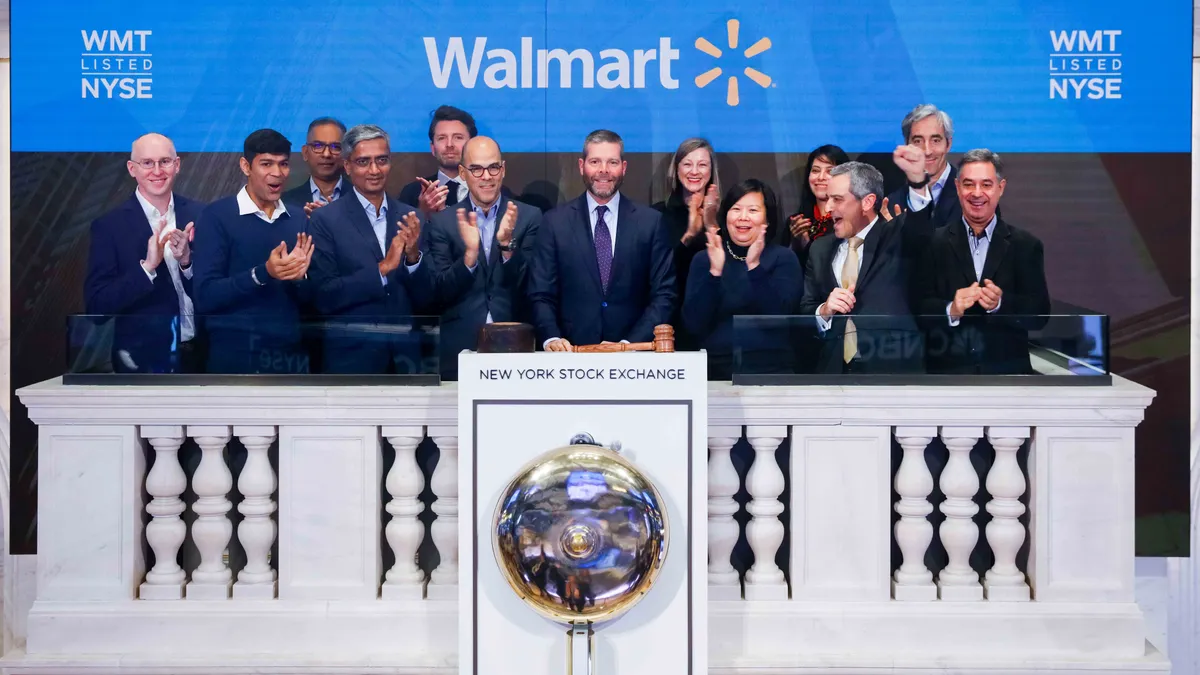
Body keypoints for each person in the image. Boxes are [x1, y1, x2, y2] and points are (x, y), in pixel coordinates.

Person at [529, 129, 675, 351]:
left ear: (623, 168)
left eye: (612, 162)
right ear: (581, 166)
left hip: (635, 361)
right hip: (570, 356)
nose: (603, 171)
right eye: (595, 161)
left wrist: (628, 346)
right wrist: (551, 338)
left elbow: (664, 293)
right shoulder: (554, 223)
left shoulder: (650, 223)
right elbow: (541, 293)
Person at [307, 124, 432, 374]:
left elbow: (427, 299)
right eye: (364, 162)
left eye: (381, 160)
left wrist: (412, 258)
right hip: (351, 359)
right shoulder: (326, 220)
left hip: (406, 359)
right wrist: (383, 269)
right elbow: (324, 295)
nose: (374, 170)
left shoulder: (412, 216)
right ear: (348, 166)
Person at [915, 149, 1051, 374]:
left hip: (1008, 375)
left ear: (1001, 188)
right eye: (969, 184)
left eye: (986, 185)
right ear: (958, 188)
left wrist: (1000, 304)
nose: (977, 193)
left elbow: (1039, 315)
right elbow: (918, 309)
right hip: (948, 376)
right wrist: (952, 308)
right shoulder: (932, 243)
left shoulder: (1026, 245)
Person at [192, 129, 314, 374]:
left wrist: (301, 279)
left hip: (289, 357)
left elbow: (314, 299)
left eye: (283, 164)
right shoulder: (216, 216)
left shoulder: (298, 218)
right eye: (266, 164)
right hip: (234, 356)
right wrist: (263, 273)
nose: (277, 173)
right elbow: (205, 296)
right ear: (246, 166)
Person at [798, 161, 934, 374]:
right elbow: (806, 308)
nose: (829, 207)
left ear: (867, 202)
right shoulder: (820, 249)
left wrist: (918, 181)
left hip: (892, 371)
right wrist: (823, 311)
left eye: (838, 199)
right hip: (834, 374)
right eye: (828, 198)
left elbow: (920, 223)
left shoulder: (897, 237)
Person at [84, 133, 204, 373]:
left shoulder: (203, 214)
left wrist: (187, 263)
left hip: (202, 355)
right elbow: (96, 308)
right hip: (142, 363)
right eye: (147, 163)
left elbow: (216, 288)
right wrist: (147, 268)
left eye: (165, 162)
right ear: (132, 168)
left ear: (177, 165)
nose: (157, 171)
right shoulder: (109, 227)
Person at [427, 136, 541, 379]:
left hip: (516, 347)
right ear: (463, 173)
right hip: (458, 349)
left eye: (493, 167)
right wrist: (469, 257)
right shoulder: (443, 223)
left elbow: (532, 286)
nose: (486, 176)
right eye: (476, 169)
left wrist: (507, 245)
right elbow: (437, 293)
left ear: (503, 169)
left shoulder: (528, 217)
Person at [681, 179, 802, 380]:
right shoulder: (705, 258)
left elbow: (780, 319)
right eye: (736, 209)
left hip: (771, 371)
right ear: (726, 214)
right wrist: (714, 273)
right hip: (713, 372)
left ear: (767, 219)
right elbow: (693, 324)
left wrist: (755, 267)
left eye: (753, 210)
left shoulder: (783, 258)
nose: (743, 218)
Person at [652, 137, 719, 344]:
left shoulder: (729, 215)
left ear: (711, 170)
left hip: (714, 320)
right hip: (668, 320)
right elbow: (657, 272)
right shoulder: (657, 215)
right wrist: (689, 235)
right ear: (676, 169)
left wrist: (710, 224)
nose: (694, 172)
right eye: (687, 164)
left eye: (702, 165)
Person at [882, 104, 962, 228]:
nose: (927, 151)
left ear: (948, 144)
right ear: (907, 145)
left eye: (935, 140)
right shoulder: (892, 202)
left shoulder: (973, 194)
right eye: (918, 141)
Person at [397, 105, 477, 215]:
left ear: (472, 145)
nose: (449, 145)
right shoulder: (412, 193)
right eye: (442, 138)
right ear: (433, 148)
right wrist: (423, 213)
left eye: (458, 137)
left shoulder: (492, 189)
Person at [781, 145, 850, 269]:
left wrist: (808, 247)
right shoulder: (796, 223)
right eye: (815, 170)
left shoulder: (850, 221)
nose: (821, 177)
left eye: (830, 171)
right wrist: (797, 246)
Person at [283, 117, 350, 212]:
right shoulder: (285, 202)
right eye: (318, 146)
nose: (326, 154)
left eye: (335, 147)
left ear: (345, 154)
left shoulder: (362, 198)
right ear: (305, 153)